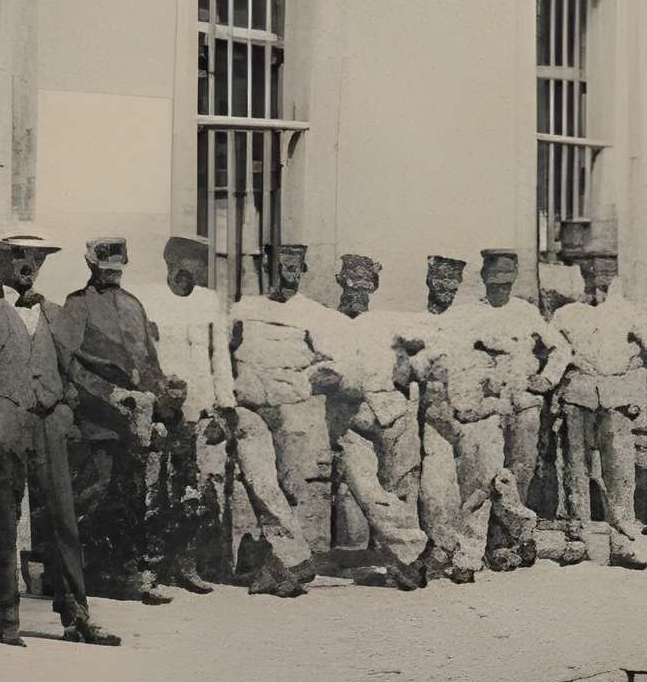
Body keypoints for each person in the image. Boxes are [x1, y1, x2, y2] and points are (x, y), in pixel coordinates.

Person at [0, 225, 116, 649]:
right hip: (4, 420)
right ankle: (6, 620)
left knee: (63, 519)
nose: (29, 266)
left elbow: (73, 369)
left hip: (48, 422)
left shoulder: (55, 313)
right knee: (2, 520)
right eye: (21, 256)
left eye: (38, 258)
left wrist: (64, 406)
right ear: (4, 262)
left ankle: (75, 615)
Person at [52, 237, 170, 605]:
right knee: (95, 490)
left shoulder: (133, 305)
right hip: (96, 416)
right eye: (105, 269)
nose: (112, 275)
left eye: (117, 269)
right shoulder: (77, 305)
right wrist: (108, 393)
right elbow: (68, 362)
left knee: (135, 493)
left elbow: (149, 361)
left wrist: (159, 403)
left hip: (136, 414)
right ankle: (68, 573)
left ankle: (125, 574)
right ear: (91, 266)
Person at [226, 242, 333, 598]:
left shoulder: (315, 313)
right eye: (280, 267)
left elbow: (330, 364)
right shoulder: (245, 308)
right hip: (251, 409)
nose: (288, 275)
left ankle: (276, 564)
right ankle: (296, 559)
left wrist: (300, 385)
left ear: (303, 270)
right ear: (267, 269)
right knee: (261, 483)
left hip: (294, 410)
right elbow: (227, 353)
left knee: (289, 488)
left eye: (294, 267)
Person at [459, 249, 574, 567]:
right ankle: (489, 540)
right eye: (494, 282)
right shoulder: (469, 314)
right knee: (487, 473)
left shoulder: (526, 313)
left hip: (523, 404)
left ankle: (514, 537)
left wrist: (546, 380)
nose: (500, 289)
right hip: (488, 407)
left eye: (506, 283)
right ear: (483, 278)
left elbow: (561, 348)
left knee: (520, 470)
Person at [134, 235, 234, 595]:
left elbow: (220, 357)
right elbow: (143, 358)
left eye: (199, 265)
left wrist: (225, 407)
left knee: (198, 490)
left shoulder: (209, 303)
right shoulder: (148, 301)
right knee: (155, 490)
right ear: (170, 263)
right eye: (187, 263)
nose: (193, 272)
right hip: (163, 414)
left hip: (201, 414)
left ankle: (187, 564)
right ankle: (151, 567)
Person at [325, 254, 430, 588]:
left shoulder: (386, 324)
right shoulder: (326, 323)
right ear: (340, 282)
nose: (358, 291)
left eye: (366, 285)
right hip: (348, 418)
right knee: (365, 489)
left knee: (402, 488)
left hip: (392, 413)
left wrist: (408, 375)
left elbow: (422, 354)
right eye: (352, 283)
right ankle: (407, 550)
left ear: (374, 288)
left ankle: (402, 560)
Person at [550, 243, 647, 569]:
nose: (598, 280)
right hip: (578, 397)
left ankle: (621, 544)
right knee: (575, 471)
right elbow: (555, 354)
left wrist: (631, 371)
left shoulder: (627, 313)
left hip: (616, 400)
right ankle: (577, 540)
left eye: (605, 273)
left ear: (614, 276)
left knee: (620, 472)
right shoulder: (566, 314)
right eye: (591, 272)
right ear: (581, 274)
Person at [405, 254, 480, 582]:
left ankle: (469, 554)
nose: (445, 288)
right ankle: (440, 547)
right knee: (435, 489)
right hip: (434, 417)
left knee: (475, 486)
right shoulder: (416, 325)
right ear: (428, 282)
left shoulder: (468, 325)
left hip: (470, 416)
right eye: (439, 281)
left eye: (452, 282)